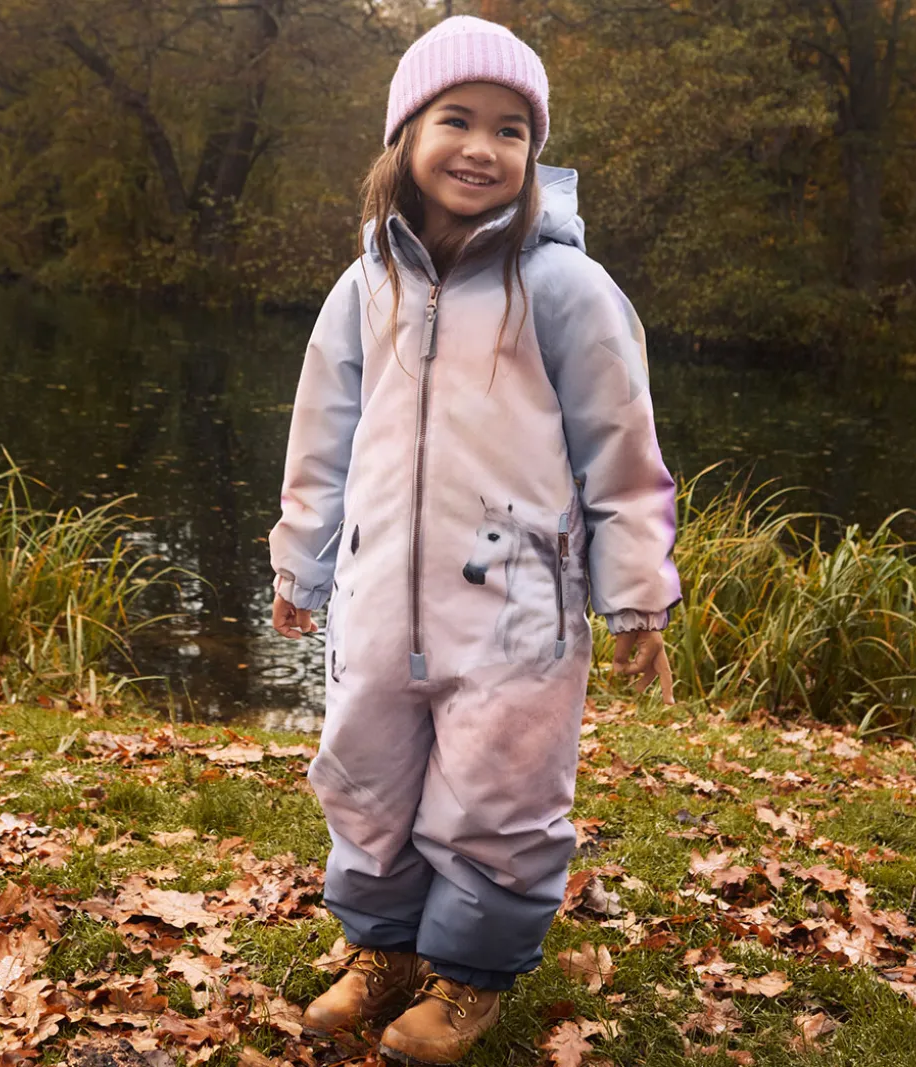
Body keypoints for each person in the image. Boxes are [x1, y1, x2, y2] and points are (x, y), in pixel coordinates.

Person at [269, 14, 682, 1065]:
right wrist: (302, 559)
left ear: (534, 153)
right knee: (364, 778)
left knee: (501, 797)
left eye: (510, 130)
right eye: (456, 119)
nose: (481, 146)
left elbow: (623, 450)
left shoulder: (566, 289)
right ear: (406, 134)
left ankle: (470, 977)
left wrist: (636, 595)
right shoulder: (368, 283)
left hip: (517, 610)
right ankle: (382, 948)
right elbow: (322, 435)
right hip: (377, 596)